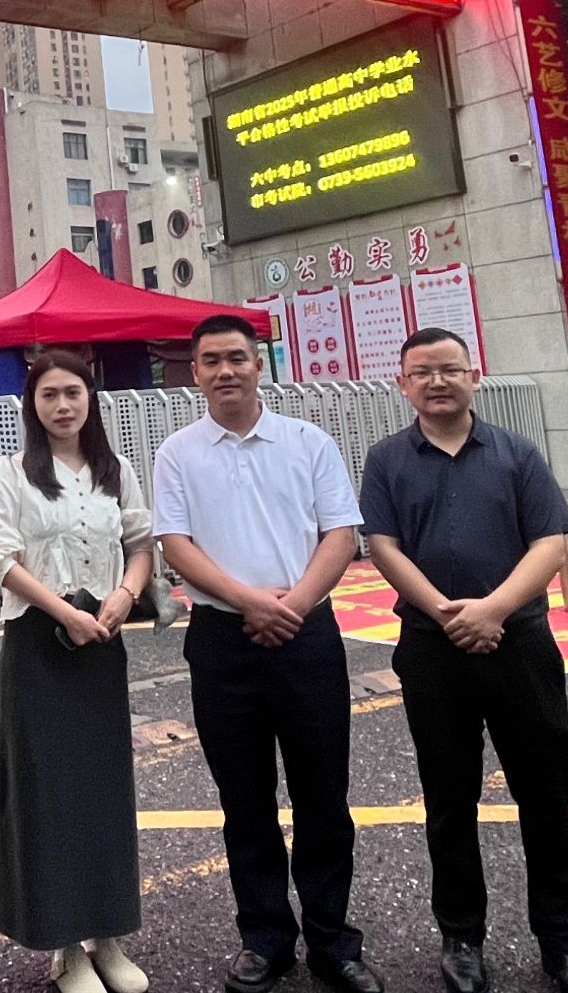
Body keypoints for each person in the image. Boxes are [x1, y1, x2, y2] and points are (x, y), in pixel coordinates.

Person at [359, 328, 568, 993]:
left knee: (545, 797)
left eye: (449, 369)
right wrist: (448, 614)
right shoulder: (386, 459)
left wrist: (492, 610)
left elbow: (550, 543)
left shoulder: (516, 453)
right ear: (402, 384)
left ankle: (563, 942)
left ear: (474, 376)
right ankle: (461, 939)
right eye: (422, 372)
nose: (436, 382)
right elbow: (383, 547)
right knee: (448, 800)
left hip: (518, 643)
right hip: (431, 648)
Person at [154, 314, 381, 993]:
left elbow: (341, 534)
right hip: (224, 641)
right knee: (244, 799)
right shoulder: (178, 453)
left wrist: (292, 605)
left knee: (323, 795)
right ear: (196, 374)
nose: (225, 371)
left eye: (237, 358)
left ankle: (334, 941)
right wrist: (250, 602)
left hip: (306, 636)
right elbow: (175, 543)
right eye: (211, 361)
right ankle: (265, 940)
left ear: (260, 365)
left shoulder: (308, 442)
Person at [0, 350, 153, 993]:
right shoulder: (7, 474)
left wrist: (125, 595)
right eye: (49, 395)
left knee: (104, 790)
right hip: (38, 642)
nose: (63, 405)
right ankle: (66, 947)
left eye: (73, 392)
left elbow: (140, 543)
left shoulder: (115, 470)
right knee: (47, 796)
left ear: (90, 398)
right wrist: (63, 612)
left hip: (102, 638)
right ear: (32, 404)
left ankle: (109, 937)